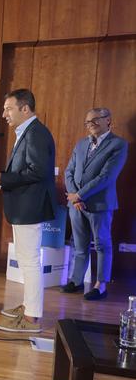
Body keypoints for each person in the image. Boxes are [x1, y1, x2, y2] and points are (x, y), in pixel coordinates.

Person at [0, 88, 56, 333]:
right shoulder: (27, 132)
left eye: (8, 108)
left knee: (30, 262)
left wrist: (3, 178)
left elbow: (38, 171)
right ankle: (28, 305)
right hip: (23, 205)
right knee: (27, 261)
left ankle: (31, 318)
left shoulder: (36, 133)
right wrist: (1, 178)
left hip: (30, 206)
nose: (4, 113)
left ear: (24, 108)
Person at [62, 108, 128, 300]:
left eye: (95, 120)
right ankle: (76, 281)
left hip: (100, 205)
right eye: (87, 121)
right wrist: (74, 197)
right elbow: (69, 171)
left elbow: (107, 176)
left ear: (108, 120)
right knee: (79, 245)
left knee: (102, 245)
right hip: (76, 205)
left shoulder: (118, 144)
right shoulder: (81, 143)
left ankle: (100, 285)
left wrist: (79, 195)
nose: (90, 124)